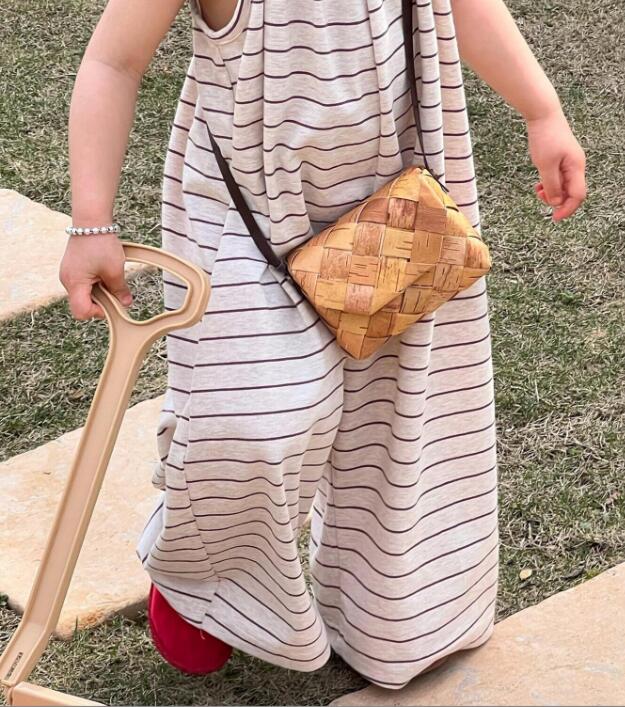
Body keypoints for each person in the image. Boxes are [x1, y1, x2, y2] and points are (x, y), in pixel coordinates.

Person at [59, 0, 586, 690]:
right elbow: (114, 60)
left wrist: (541, 110)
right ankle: (205, 569)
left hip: (396, 198)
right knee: (256, 420)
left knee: (404, 425)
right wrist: (91, 222)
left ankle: (396, 618)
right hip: (248, 216)